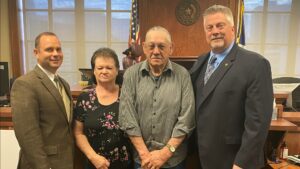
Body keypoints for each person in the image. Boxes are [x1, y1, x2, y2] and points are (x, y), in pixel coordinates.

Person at [189, 5, 273, 169]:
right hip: (202, 156)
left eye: (220, 25)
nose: (215, 31)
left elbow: (258, 122)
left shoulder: (255, 64)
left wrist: (242, 163)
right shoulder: (200, 61)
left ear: (233, 29)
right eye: (209, 27)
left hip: (234, 160)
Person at [119, 26, 195, 169]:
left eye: (161, 46)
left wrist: (165, 154)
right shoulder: (130, 75)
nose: (156, 51)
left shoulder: (183, 75)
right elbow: (127, 118)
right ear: (144, 47)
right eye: (151, 46)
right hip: (142, 161)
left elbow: (187, 119)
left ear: (171, 48)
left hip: (174, 161)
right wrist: (145, 155)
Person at [11, 32, 74, 169]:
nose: (56, 53)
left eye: (58, 49)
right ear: (36, 53)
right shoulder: (25, 84)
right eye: (49, 49)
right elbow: (27, 135)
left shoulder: (64, 84)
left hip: (65, 162)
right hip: (41, 165)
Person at [73, 47, 132, 169]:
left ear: (117, 70)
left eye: (109, 68)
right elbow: (78, 133)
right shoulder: (84, 98)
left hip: (124, 164)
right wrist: (93, 157)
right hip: (94, 163)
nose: (104, 71)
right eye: (100, 68)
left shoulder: (128, 95)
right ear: (94, 71)